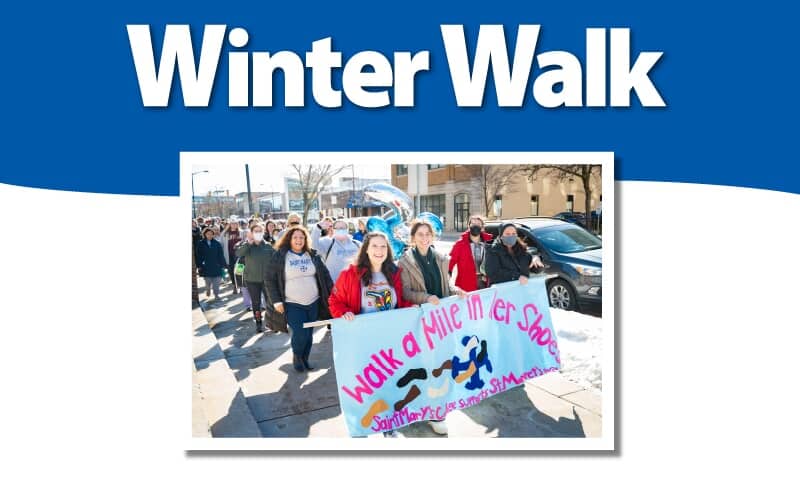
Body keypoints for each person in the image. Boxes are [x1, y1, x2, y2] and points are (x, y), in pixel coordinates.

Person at [327, 231, 413, 438]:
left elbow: (399, 303)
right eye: (375, 246)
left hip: (389, 340)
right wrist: (343, 313)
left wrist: (415, 307)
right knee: (364, 386)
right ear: (366, 249)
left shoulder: (395, 272)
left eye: (383, 247)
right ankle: (359, 429)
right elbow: (334, 301)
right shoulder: (351, 273)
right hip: (362, 342)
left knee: (388, 384)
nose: (379, 251)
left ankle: (388, 428)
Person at [397, 219, 466, 436]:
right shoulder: (405, 262)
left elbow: (446, 285)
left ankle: (437, 412)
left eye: (428, 234)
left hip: (443, 320)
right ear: (413, 238)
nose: (425, 237)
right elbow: (406, 292)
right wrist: (426, 297)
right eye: (420, 234)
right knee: (424, 365)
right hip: (422, 321)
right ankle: (422, 408)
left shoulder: (441, 258)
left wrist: (457, 291)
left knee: (443, 365)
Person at [266, 225, 334, 372]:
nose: (298, 240)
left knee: (309, 333)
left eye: (302, 237)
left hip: (313, 301)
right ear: (289, 239)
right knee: (300, 332)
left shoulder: (313, 255)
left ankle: (305, 358)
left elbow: (325, 275)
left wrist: (334, 292)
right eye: (295, 237)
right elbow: (269, 279)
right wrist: (276, 301)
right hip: (292, 303)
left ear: (306, 239)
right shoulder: (280, 256)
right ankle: (297, 356)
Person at [235, 222, 275, 333]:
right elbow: (238, 253)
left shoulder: (267, 245)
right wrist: (248, 243)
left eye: (260, 231)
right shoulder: (247, 246)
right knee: (256, 303)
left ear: (263, 232)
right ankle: (258, 322)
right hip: (252, 280)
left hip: (267, 280)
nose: (258, 233)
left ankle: (271, 322)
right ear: (251, 233)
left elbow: (276, 259)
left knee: (270, 302)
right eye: (255, 231)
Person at [448, 215, 493, 292]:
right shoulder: (460, 244)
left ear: (482, 227)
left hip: (485, 283)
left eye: (478, 224)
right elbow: (451, 261)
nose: (475, 226)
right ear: (469, 226)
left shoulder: (490, 242)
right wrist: (448, 276)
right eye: (473, 224)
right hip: (465, 284)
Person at [317, 219, 362, 283]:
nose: (340, 230)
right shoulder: (327, 242)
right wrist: (318, 228)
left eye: (342, 228)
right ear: (333, 230)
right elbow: (314, 246)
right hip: (334, 286)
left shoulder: (357, 244)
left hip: (354, 284)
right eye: (337, 228)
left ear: (347, 229)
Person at [195, 227, 227, 302]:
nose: (209, 235)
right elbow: (198, 255)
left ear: (213, 235)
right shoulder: (200, 243)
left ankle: (216, 294)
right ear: (204, 234)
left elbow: (221, 255)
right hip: (206, 266)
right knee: (208, 281)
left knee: (216, 282)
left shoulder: (217, 243)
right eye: (207, 234)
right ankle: (208, 289)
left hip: (216, 265)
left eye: (211, 234)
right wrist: (199, 265)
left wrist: (223, 265)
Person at [221, 219, 243, 294]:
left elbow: (244, 242)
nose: (234, 225)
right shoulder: (225, 233)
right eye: (232, 223)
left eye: (235, 223)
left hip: (239, 255)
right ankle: (235, 285)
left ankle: (240, 286)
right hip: (229, 255)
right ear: (230, 224)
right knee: (231, 270)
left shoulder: (241, 232)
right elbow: (222, 244)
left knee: (240, 270)